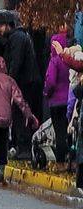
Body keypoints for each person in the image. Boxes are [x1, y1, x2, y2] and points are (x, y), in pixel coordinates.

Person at [0, 9, 41, 158]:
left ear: (8, 25)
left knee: (20, 113)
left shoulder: (17, 38)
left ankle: (24, 148)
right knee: (19, 113)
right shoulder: (17, 37)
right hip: (26, 81)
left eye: (0, 26)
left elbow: (16, 63)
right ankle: (22, 146)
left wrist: (9, 83)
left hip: (24, 82)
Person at [44, 29, 71, 165]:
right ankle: (71, 159)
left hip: (56, 102)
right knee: (68, 131)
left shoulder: (54, 61)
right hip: (69, 101)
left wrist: (46, 93)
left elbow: (51, 81)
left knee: (59, 133)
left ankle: (60, 161)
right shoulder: (69, 61)